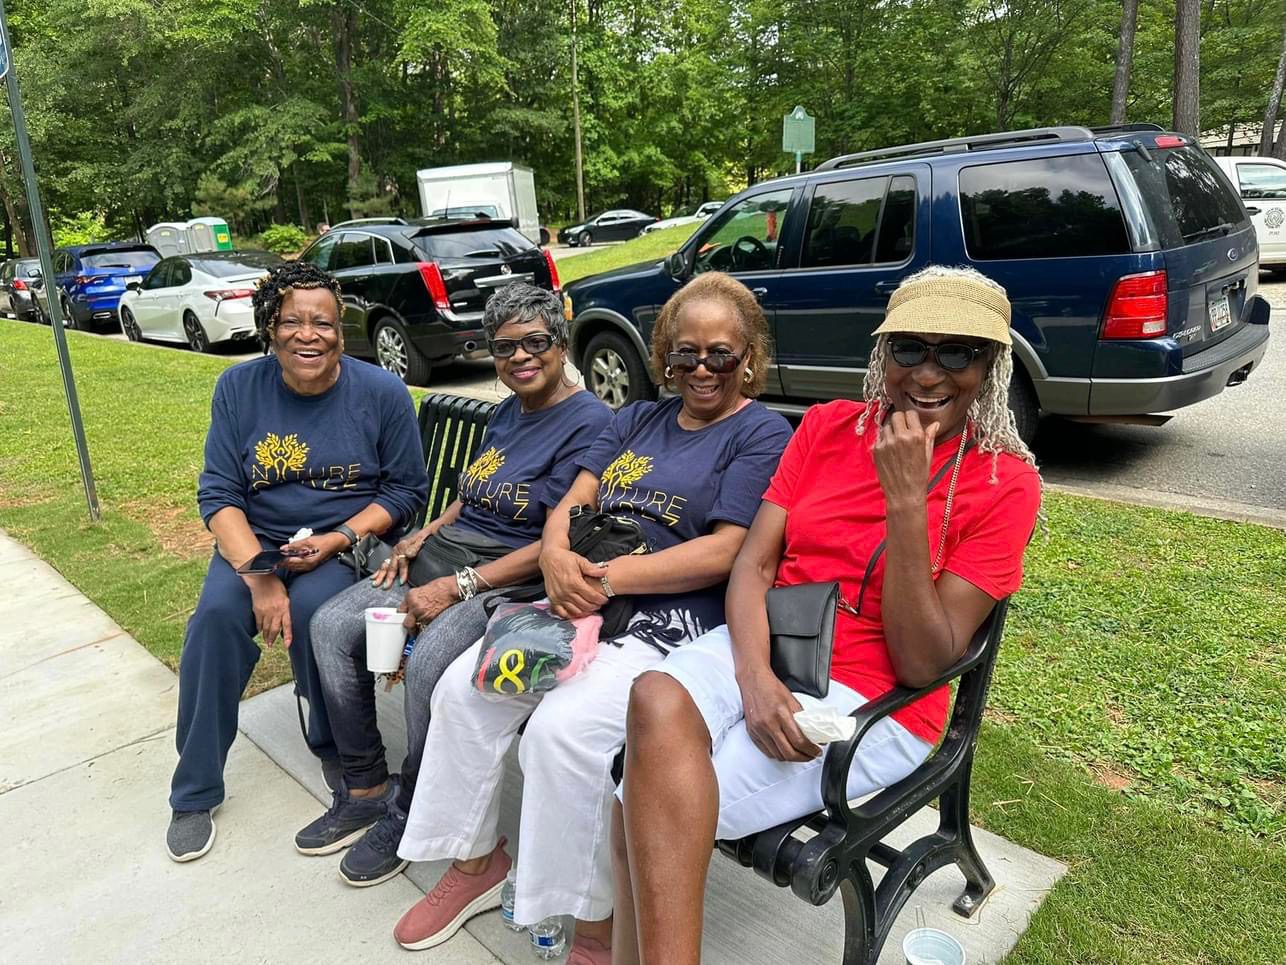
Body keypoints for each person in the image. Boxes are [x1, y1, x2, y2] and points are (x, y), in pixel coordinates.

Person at [612, 265, 1043, 964]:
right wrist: (754, 679)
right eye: (909, 349)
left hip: (880, 700)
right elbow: (752, 565)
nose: (928, 374)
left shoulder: (1004, 483)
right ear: (883, 354)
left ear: (990, 365)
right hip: (767, 646)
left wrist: (906, 504)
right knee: (653, 696)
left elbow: (924, 663)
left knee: (643, 800)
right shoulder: (826, 427)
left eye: (956, 352)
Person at [390, 272, 794, 962]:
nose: (701, 367)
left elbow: (729, 549)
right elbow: (574, 499)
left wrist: (600, 576)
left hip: (666, 626)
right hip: (575, 598)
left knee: (561, 734)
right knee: (464, 690)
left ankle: (594, 926)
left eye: (721, 353)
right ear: (663, 354)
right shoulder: (636, 418)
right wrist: (553, 553)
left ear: (748, 356)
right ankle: (475, 860)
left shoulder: (759, 432)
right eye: (685, 352)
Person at [296, 283, 611, 887]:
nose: (519, 358)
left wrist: (456, 587)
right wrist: (424, 533)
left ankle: (410, 803)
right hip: (445, 553)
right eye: (503, 348)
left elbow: (556, 544)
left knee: (431, 663)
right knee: (331, 626)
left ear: (560, 343)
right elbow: (472, 496)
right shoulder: (507, 412)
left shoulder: (591, 424)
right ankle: (365, 785)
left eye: (535, 343)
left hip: (507, 578)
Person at [166, 261, 429, 863]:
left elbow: (406, 492)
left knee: (316, 614)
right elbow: (219, 495)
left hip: (339, 544)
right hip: (251, 545)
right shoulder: (239, 389)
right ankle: (195, 788)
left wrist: (339, 537)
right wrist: (260, 577)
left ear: (342, 331)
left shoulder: (381, 392)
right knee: (213, 624)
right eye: (292, 321)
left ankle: (334, 744)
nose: (307, 335)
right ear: (270, 327)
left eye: (324, 323)